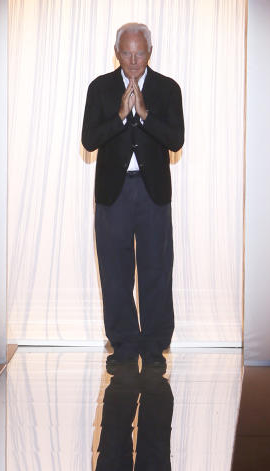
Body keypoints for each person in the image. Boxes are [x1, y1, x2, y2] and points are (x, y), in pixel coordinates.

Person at [82, 22, 184, 373]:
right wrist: (122, 116)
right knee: (115, 272)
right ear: (117, 52)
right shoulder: (100, 88)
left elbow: (176, 140)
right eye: (126, 52)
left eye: (139, 52)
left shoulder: (168, 89)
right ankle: (124, 345)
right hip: (113, 194)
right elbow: (89, 139)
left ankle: (155, 347)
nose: (133, 59)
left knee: (156, 269)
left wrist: (144, 114)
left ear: (149, 53)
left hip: (153, 192)